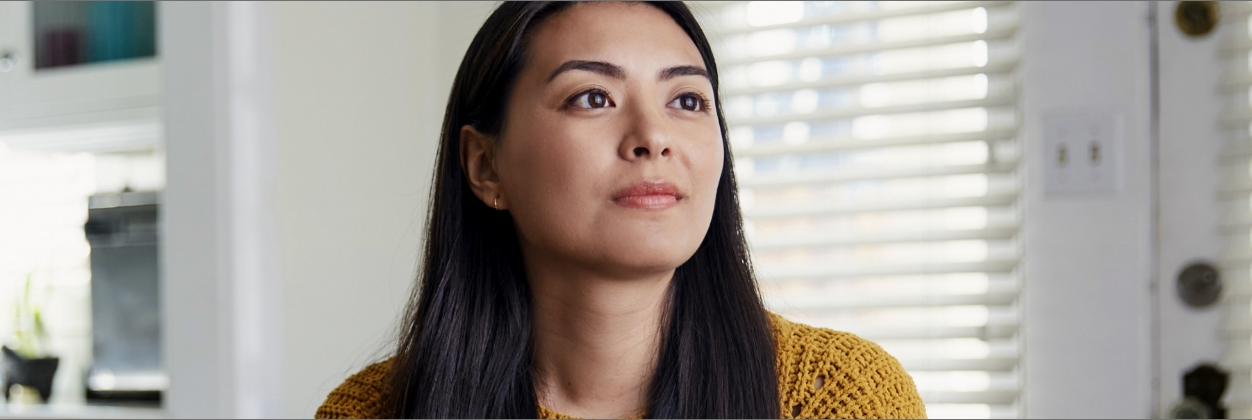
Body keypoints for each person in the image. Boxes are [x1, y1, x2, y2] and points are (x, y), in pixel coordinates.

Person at [314, 2, 925, 418]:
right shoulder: (371, 413)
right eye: (593, 96)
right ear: (485, 165)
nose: (653, 136)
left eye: (687, 99)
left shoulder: (839, 398)